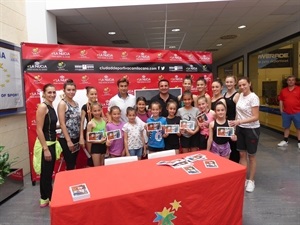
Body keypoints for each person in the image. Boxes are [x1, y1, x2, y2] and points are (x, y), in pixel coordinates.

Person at [229, 77, 260, 193]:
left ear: (249, 83)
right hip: (240, 129)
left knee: (251, 156)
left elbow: (256, 117)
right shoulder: (240, 96)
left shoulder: (254, 97)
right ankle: (243, 179)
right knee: (242, 154)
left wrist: (239, 122)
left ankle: (251, 180)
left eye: (244, 85)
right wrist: (235, 127)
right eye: (240, 85)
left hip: (252, 130)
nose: (242, 87)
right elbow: (238, 113)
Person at [35, 84, 61, 207]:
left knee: (47, 172)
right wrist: (45, 149)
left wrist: (62, 126)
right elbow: (39, 129)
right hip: (45, 144)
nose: (52, 95)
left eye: (54, 92)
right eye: (49, 92)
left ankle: (44, 198)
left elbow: (49, 126)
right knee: (46, 174)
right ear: (44, 94)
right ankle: (51, 199)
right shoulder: (42, 107)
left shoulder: (51, 106)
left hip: (51, 142)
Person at [57, 79, 81, 170]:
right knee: (70, 163)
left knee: (74, 161)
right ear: (64, 90)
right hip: (67, 139)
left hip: (76, 138)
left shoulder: (76, 103)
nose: (71, 92)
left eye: (73, 90)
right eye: (69, 90)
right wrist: (68, 141)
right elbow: (62, 124)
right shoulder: (62, 104)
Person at [277, 75, 300, 148]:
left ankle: (299, 142)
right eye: (289, 80)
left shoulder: (299, 89)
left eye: (292, 80)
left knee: (299, 127)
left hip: (297, 112)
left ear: (295, 81)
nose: (291, 81)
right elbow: (281, 100)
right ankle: (285, 140)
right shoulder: (283, 91)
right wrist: (281, 110)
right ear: (287, 82)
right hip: (286, 112)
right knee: (286, 127)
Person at [79, 86, 98, 167]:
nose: (94, 96)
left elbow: (103, 118)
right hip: (89, 133)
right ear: (87, 95)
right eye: (91, 94)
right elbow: (82, 122)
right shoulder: (84, 107)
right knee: (91, 157)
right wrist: (81, 138)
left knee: (98, 155)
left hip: (99, 132)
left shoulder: (98, 105)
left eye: (95, 94)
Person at [223, 75, 240, 162]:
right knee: (227, 147)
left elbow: (238, 112)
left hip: (233, 124)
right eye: (227, 82)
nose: (228, 84)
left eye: (231, 82)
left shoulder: (237, 95)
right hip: (226, 124)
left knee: (234, 147)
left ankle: (235, 167)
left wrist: (235, 126)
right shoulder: (225, 94)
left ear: (235, 83)